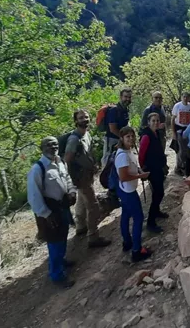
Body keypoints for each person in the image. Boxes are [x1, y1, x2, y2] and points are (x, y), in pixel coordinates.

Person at [27, 137, 77, 288]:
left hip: (63, 206)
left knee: (63, 235)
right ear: (42, 148)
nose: (52, 147)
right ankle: (57, 275)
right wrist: (46, 214)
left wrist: (72, 191)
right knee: (55, 242)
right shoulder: (38, 169)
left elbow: (67, 178)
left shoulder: (60, 162)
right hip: (50, 211)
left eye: (54, 144)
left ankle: (61, 261)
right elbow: (33, 196)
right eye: (48, 145)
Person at [64, 110, 111, 249]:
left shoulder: (86, 134)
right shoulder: (74, 139)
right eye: (81, 118)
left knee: (81, 199)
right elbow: (67, 159)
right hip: (81, 176)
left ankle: (80, 226)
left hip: (87, 175)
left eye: (86, 117)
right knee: (93, 206)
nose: (84, 119)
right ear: (75, 121)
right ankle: (93, 236)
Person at [114, 127, 153, 262]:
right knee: (138, 218)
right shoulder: (123, 156)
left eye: (132, 136)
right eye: (127, 137)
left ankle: (127, 242)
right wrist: (140, 175)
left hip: (126, 190)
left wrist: (138, 171)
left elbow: (133, 167)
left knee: (126, 214)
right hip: (128, 191)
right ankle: (136, 250)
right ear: (122, 138)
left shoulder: (127, 151)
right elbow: (123, 177)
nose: (130, 139)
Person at [139, 113, 168, 233]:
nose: (156, 122)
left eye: (157, 120)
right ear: (148, 122)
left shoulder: (155, 133)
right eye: (153, 121)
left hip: (157, 167)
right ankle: (151, 221)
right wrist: (143, 169)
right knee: (158, 193)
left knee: (158, 192)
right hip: (151, 169)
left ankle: (156, 211)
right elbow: (141, 154)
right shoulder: (146, 136)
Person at [102, 88, 132, 167]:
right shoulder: (114, 110)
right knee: (109, 161)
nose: (127, 99)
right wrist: (124, 138)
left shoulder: (125, 110)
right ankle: (106, 177)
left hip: (120, 139)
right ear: (121, 97)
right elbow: (112, 129)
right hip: (111, 140)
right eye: (125, 97)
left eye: (129, 97)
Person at [171, 92, 190, 176]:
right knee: (180, 149)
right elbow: (173, 119)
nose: (185, 98)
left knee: (188, 148)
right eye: (183, 97)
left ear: (189, 98)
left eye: (186, 97)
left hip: (188, 129)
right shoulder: (177, 106)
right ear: (181, 97)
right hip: (179, 129)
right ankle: (179, 167)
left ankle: (185, 165)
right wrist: (173, 132)